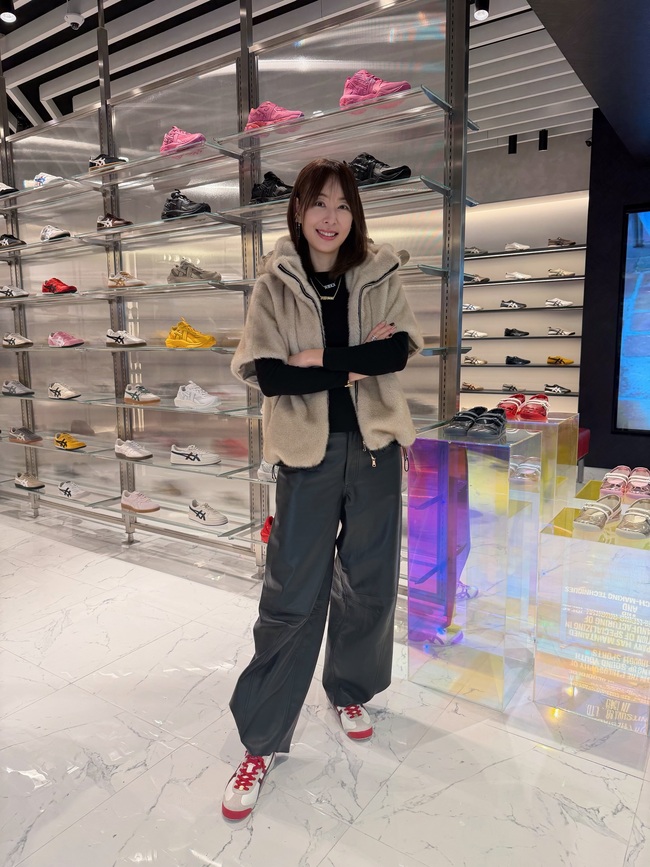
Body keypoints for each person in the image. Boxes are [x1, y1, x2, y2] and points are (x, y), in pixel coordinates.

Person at [223, 157, 423, 820]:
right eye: (318, 203)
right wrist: (350, 366)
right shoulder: (274, 282)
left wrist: (318, 359)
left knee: (368, 580)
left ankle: (349, 687)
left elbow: (394, 354)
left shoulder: (380, 271)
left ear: (354, 213)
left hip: (375, 450)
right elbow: (270, 374)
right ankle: (261, 739)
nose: (330, 217)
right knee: (291, 594)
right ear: (299, 210)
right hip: (306, 455)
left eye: (342, 204)